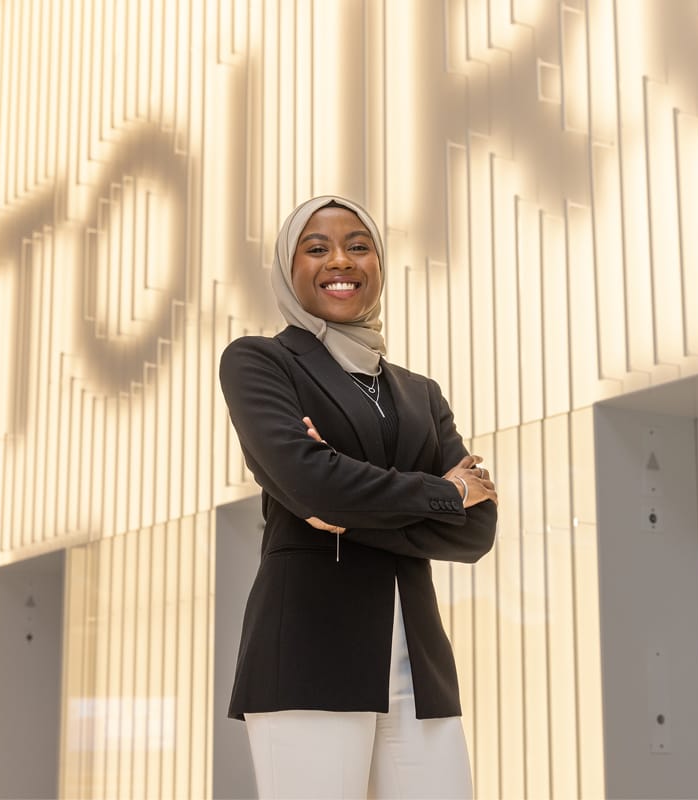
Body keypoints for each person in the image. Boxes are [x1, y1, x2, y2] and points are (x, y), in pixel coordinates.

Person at [219, 195, 498, 799]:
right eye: (316, 248)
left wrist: (341, 506)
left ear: (377, 261)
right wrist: (443, 491)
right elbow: (311, 482)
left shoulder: (420, 393)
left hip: (417, 667)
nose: (339, 261)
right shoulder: (261, 363)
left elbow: (476, 531)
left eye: (358, 245)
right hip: (307, 657)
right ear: (288, 269)